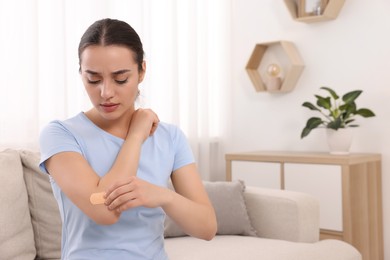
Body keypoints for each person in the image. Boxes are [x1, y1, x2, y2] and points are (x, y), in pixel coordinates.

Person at [39, 18, 217, 260]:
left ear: (142, 71)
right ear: (81, 73)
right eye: (93, 79)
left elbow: (206, 227)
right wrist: (136, 135)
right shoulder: (60, 134)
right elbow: (103, 210)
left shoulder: (170, 137)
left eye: (120, 79)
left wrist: (162, 195)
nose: (106, 93)